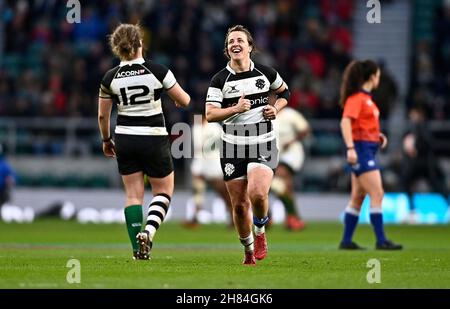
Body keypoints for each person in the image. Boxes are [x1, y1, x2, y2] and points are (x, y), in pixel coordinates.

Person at [98, 24, 190, 260]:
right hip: (153, 138)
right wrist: (178, 100)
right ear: (140, 43)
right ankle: (148, 231)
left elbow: (102, 115)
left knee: (132, 196)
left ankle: (136, 250)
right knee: (164, 190)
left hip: (125, 139)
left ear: (116, 48)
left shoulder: (110, 78)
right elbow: (185, 100)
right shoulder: (158, 71)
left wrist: (106, 139)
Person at [205, 25, 290, 265]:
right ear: (227, 49)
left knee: (258, 193)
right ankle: (248, 250)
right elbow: (210, 114)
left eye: (240, 40)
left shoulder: (266, 73)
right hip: (232, 146)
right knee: (240, 206)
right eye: (231, 41)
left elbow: (285, 93)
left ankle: (261, 232)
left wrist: (276, 108)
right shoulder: (220, 79)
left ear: (250, 47)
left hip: (263, 141)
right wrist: (235, 109)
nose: (235, 44)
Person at [339, 59, 402, 250]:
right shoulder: (358, 98)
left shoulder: (366, 99)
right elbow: (345, 122)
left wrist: (377, 136)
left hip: (366, 148)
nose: (379, 80)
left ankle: (346, 241)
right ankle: (381, 240)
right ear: (372, 76)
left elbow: (361, 125)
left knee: (358, 196)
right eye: (378, 76)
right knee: (377, 193)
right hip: (361, 151)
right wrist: (350, 148)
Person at [184, 116, 233, 228]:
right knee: (198, 189)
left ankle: (233, 216)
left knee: (223, 193)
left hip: (213, 163)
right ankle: (194, 218)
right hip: (200, 162)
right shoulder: (195, 128)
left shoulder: (214, 127)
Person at [401, 105, 449, 219]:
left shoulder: (422, 127)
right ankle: (412, 210)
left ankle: (413, 210)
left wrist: (416, 147)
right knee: (406, 183)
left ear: (419, 114)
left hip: (425, 164)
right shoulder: (413, 128)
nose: (411, 116)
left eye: (413, 114)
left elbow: (429, 144)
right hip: (417, 164)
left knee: (436, 186)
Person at [271, 106, 310, 231]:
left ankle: (291, 217)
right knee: (282, 186)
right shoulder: (266, 114)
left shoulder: (290, 114)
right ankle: (293, 218)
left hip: (291, 153)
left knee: (281, 176)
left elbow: (305, 130)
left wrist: (292, 141)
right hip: (275, 154)